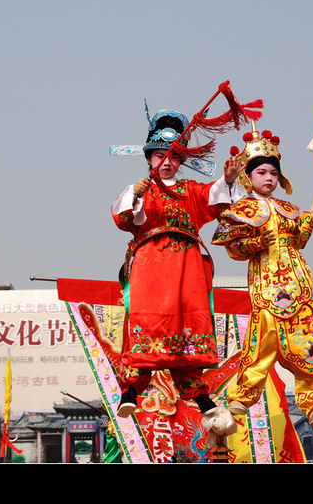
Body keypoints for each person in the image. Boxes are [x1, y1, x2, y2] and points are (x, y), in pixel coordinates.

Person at [112, 109, 244, 432]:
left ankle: (202, 400)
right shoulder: (144, 191)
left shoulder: (190, 191)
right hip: (151, 271)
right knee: (147, 326)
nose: (167, 161)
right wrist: (137, 193)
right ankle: (130, 388)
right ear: (149, 157)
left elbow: (216, 198)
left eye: (173, 155)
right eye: (160, 155)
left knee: (186, 332)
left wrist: (228, 181)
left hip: (186, 274)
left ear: (181, 159)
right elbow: (123, 217)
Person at [211, 126, 313, 427]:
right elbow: (232, 247)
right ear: (248, 176)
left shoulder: (288, 208)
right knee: (265, 338)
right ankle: (240, 398)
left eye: (273, 172)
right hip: (268, 284)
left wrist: (311, 216)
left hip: (300, 282)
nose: (269, 178)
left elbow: (298, 240)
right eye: (261, 172)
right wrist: (257, 243)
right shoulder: (243, 209)